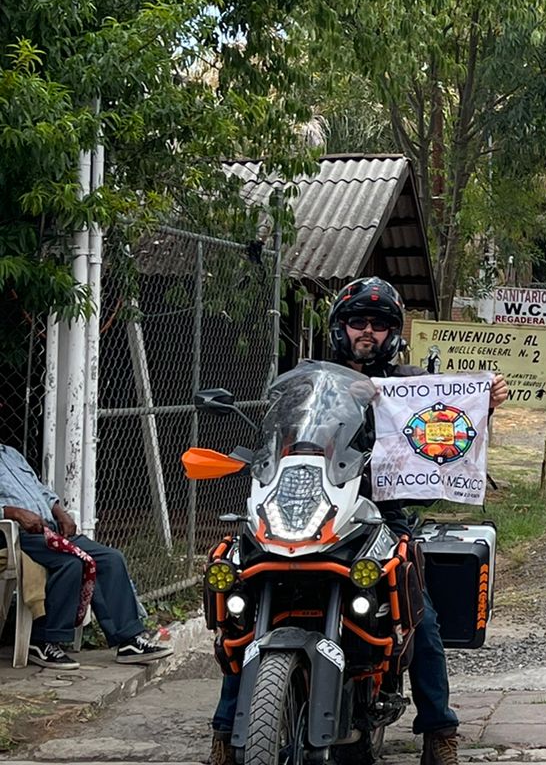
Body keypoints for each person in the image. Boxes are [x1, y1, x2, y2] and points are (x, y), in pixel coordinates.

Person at [210, 277, 508, 765]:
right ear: (339, 327)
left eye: (379, 323)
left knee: (419, 614)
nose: (367, 330)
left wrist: (483, 404)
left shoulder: (411, 384)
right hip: (307, 505)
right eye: (357, 321)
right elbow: (281, 437)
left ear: (393, 333)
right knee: (245, 604)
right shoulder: (307, 382)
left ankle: (439, 729)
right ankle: (224, 730)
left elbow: (447, 427)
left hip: (379, 511)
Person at [0, 440, 173, 670]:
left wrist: (60, 512)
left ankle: (128, 640)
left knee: (111, 559)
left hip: (49, 530)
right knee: (72, 563)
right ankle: (43, 641)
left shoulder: (10, 454)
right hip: (15, 534)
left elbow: (40, 490)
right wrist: (13, 512)